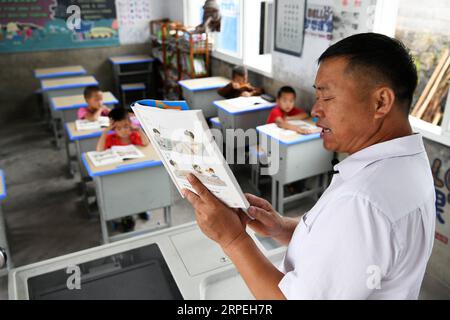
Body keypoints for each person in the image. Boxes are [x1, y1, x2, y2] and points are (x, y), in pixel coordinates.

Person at [183, 33, 436, 299]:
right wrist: (282, 228)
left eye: (327, 98)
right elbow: (342, 251)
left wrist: (232, 239)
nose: (315, 110)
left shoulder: (363, 202)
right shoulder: (408, 163)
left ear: (381, 102)